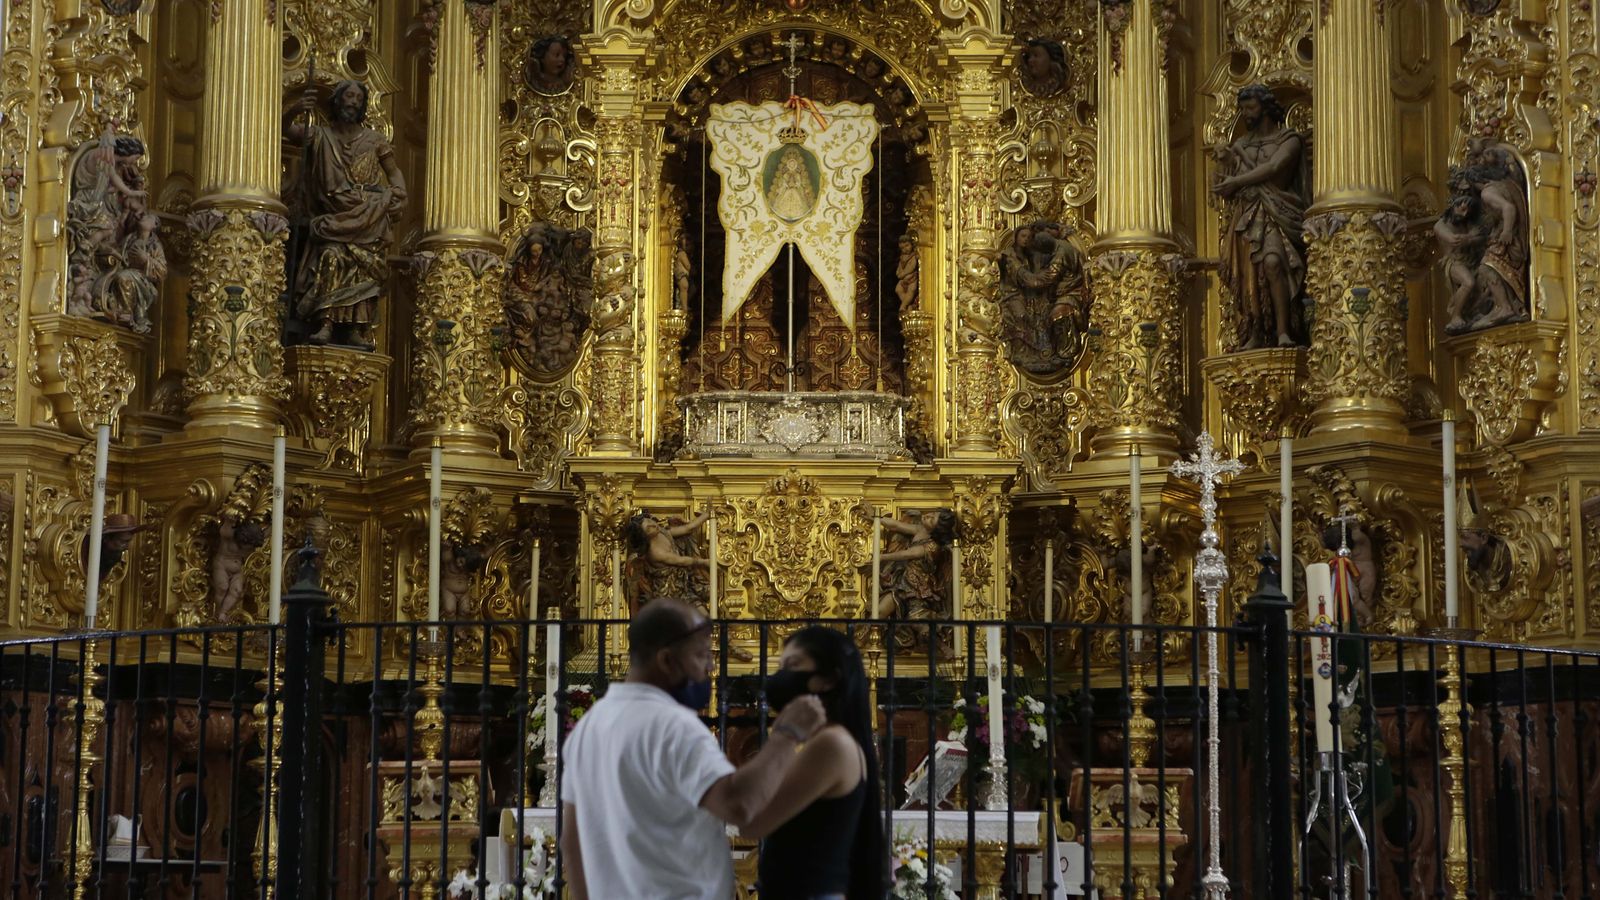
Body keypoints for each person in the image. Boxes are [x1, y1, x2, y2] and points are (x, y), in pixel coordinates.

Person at [559, 599, 827, 900]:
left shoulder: (590, 725)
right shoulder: (672, 725)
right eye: (701, 655)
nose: (711, 667)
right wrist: (787, 735)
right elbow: (737, 805)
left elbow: (571, 839)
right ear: (666, 660)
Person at [749, 626, 885, 900]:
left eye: (793, 665)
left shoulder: (831, 744)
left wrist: (784, 737)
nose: (782, 677)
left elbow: (755, 819)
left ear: (827, 679)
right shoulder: (830, 739)